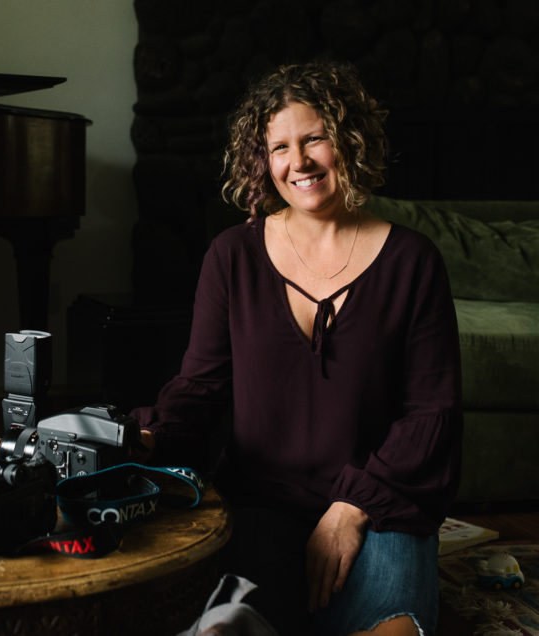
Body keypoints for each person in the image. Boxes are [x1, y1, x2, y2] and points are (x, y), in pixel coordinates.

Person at [132, 60, 462, 636]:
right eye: (279, 146)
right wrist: (146, 435)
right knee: (230, 627)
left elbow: (431, 412)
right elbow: (202, 388)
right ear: (262, 161)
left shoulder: (413, 260)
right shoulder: (231, 256)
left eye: (315, 139)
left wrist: (351, 508)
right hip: (261, 501)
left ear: (350, 143)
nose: (299, 162)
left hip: (381, 505)